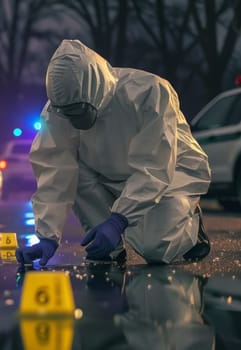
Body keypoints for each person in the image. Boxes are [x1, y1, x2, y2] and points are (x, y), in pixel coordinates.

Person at [16, 39, 212, 270]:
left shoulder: (149, 92)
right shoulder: (58, 111)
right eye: (67, 114)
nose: (73, 120)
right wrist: (47, 235)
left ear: (94, 89)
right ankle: (108, 248)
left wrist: (119, 219)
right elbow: (54, 170)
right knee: (73, 169)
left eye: (78, 110)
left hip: (172, 172)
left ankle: (191, 228)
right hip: (110, 170)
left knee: (156, 248)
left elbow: (154, 167)